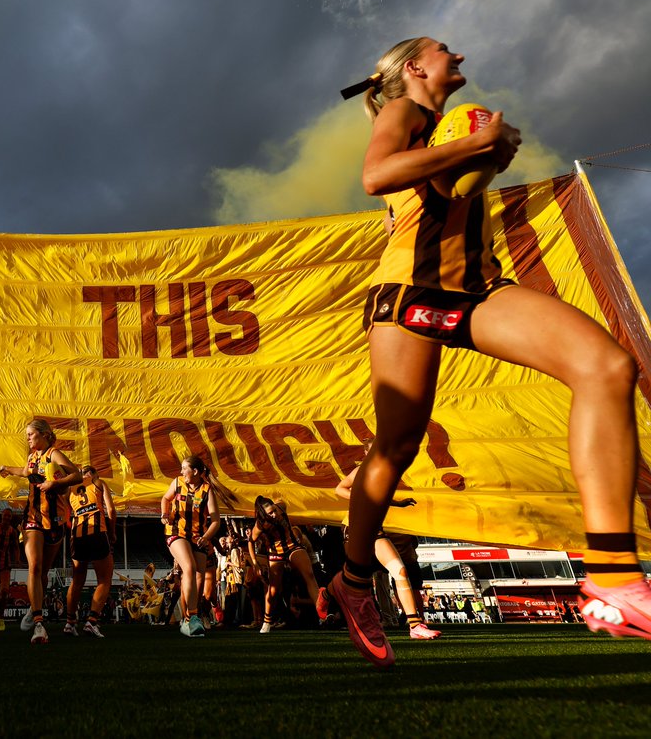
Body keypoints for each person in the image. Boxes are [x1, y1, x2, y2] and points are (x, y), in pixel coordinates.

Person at [337, 36, 648, 667]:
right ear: (415, 67)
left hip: (479, 287)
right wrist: (478, 145)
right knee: (396, 446)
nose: (457, 54)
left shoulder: (450, 122)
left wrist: (482, 149)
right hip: (411, 293)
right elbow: (375, 176)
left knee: (607, 366)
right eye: (443, 49)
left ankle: (614, 578)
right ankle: (352, 580)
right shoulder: (405, 110)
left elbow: (436, 192)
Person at [0, 418, 83, 644]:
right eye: (27, 435)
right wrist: (6, 469)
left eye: (31, 434)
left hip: (55, 519)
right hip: (33, 517)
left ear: (44, 435)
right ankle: (39, 623)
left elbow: (77, 475)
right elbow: (25, 471)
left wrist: (54, 484)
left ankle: (35, 606)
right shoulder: (32, 457)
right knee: (34, 566)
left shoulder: (54, 454)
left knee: (43, 572)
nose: (28, 438)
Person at [327, 460, 440, 640]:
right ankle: (327, 594)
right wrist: (360, 496)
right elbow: (339, 489)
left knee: (400, 571)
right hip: (355, 527)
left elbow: (380, 498)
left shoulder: (388, 472)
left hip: (376, 529)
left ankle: (415, 626)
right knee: (355, 578)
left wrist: (398, 504)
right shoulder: (362, 471)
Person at [160, 455, 220, 638]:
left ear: (195, 471)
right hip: (176, 532)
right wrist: (164, 514)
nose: (181, 471)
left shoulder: (207, 490)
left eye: (184, 468)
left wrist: (206, 537)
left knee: (199, 577)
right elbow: (165, 498)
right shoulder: (177, 482)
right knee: (189, 568)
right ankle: (191, 618)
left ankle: (191, 616)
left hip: (198, 537)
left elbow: (215, 521)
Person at [251, 497, 323, 633]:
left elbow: (281, 499)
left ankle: (321, 614)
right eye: (270, 513)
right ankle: (267, 621)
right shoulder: (260, 524)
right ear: (264, 514)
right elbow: (251, 541)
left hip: (292, 546)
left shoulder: (281, 507)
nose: (274, 514)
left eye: (274, 510)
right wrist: (255, 563)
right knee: (273, 590)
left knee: (309, 575)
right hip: (275, 552)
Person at [64, 466, 116, 639]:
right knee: (105, 580)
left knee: (77, 580)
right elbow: (111, 510)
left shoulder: (70, 488)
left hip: (77, 535)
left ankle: (70, 623)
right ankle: (92, 621)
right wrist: (112, 532)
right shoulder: (98, 483)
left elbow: (66, 514)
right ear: (94, 474)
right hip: (97, 532)